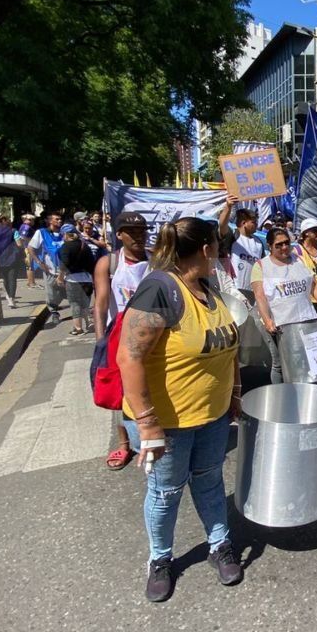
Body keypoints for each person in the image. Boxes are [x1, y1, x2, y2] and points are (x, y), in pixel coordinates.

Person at [117, 217, 244, 601]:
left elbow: (229, 346)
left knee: (209, 480)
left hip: (212, 415)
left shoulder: (209, 287)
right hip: (168, 424)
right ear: (206, 248)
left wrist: (234, 394)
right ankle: (160, 559)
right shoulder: (159, 288)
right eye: (218, 244)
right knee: (166, 492)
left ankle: (219, 544)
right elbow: (129, 356)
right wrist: (148, 424)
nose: (221, 250)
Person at [93, 211, 151, 471]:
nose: (138, 236)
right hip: (119, 335)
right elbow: (102, 302)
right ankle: (123, 443)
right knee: (120, 391)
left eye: (142, 231)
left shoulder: (156, 261)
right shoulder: (109, 264)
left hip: (152, 334)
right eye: (132, 232)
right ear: (119, 235)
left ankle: (151, 433)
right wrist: (100, 340)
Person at [251, 227, 317, 384]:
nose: (284, 247)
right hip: (279, 324)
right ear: (269, 246)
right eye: (278, 245)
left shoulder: (298, 260)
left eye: (286, 243)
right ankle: (281, 396)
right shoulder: (261, 266)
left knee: (308, 359)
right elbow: (260, 295)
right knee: (280, 363)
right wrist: (267, 320)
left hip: (305, 318)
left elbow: (314, 287)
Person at [217, 198, 263, 300]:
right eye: (253, 222)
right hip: (233, 288)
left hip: (252, 290)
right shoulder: (233, 235)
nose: (256, 225)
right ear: (243, 223)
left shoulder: (259, 243)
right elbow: (222, 225)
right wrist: (228, 206)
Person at [28, 212, 67, 324]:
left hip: (65, 269)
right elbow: (31, 248)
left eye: (60, 219)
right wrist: (39, 262)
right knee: (51, 293)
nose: (60, 221)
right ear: (50, 221)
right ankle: (54, 312)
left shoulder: (64, 233)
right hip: (50, 269)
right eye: (57, 219)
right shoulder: (41, 233)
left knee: (67, 292)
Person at [58, 223, 96, 335]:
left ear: (65, 235)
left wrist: (60, 277)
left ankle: (78, 328)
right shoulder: (85, 245)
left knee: (75, 303)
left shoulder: (65, 247)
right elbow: (92, 263)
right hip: (87, 279)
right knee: (85, 303)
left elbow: (64, 264)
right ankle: (89, 323)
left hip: (72, 280)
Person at [0, 215, 22, 308]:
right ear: (6, 221)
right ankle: (11, 298)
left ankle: (8, 296)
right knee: (12, 278)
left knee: (5, 278)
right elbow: (19, 244)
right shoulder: (13, 231)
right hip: (12, 257)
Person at [18, 214, 41, 289]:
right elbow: (23, 237)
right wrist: (31, 242)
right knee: (30, 265)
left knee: (30, 265)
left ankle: (31, 281)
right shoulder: (26, 227)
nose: (33, 221)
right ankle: (31, 283)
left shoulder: (24, 226)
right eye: (31, 219)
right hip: (28, 248)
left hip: (27, 247)